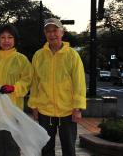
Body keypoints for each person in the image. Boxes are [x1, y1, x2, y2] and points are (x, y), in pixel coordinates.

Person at [28, 18, 86, 156]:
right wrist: (34, 105)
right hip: (44, 110)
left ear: (62, 32)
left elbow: (79, 82)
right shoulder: (38, 55)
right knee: (46, 148)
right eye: (48, 31)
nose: (52, 34)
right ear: (45, 34)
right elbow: (35, 82)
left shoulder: (72, 55)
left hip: (67, 110)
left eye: (55, 30)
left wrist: (77, 108)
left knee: (69, 148)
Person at [0, 24, 33, 156]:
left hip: (12, 111)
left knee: (12, 145)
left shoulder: (21, 59)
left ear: (15, 39)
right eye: (3, 37)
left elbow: (27, 80)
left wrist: (15, 88)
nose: (6, 41)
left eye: (10, 37)